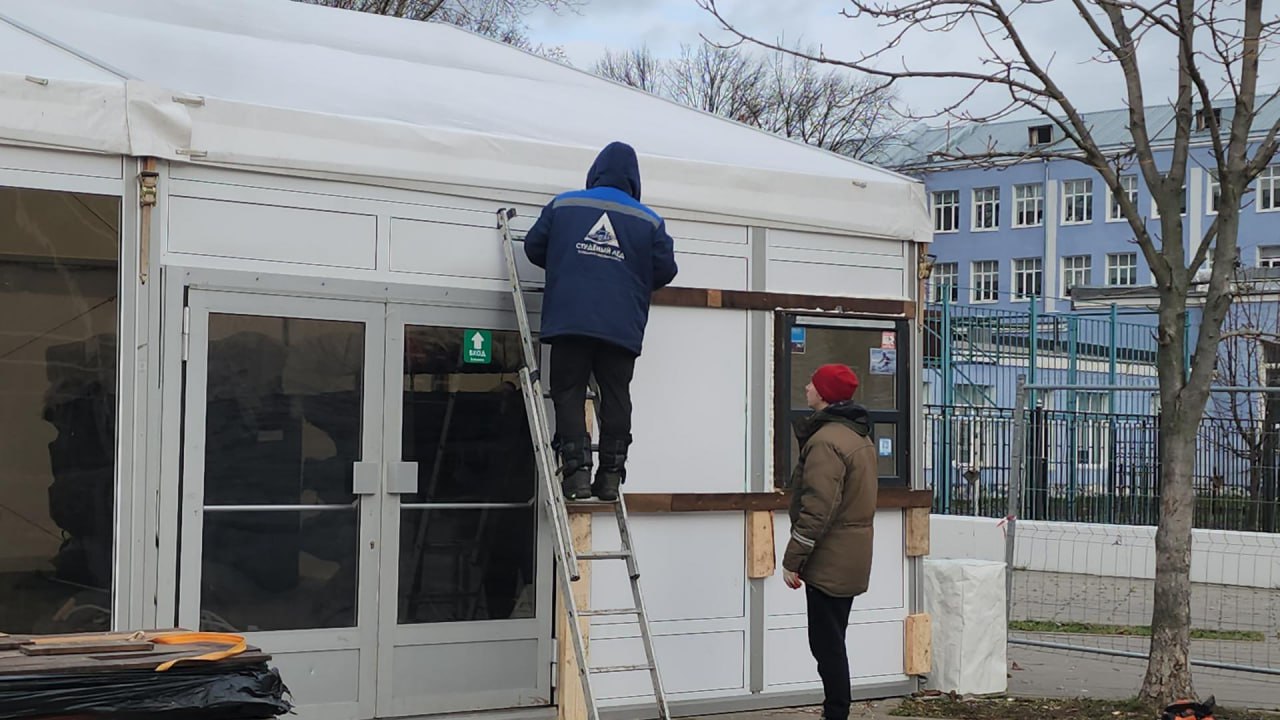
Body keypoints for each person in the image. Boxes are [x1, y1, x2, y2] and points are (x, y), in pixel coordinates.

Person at [523, 141, 678, 502]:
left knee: (568, 392)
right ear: (634, 179)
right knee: (616, 396)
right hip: (621, 328)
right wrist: (629, 279)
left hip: (569, 319)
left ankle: (576, 475)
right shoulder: (649, 220)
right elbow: (666, 270)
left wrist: (570, 266)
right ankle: (610, 476)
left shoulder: (565, 204)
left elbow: (533, 248)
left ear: (595, 173)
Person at [781, 363, 879, 720]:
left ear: (824, 395)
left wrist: (793, 559)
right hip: (850, 553)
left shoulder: (826, 441)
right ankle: (835, 710)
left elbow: (817, 507)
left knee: (827, 644)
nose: (806, 386)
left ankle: (835, 713)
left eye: (812, 383)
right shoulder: (857, 436)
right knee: (833, 639)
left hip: (830, 557)